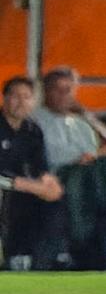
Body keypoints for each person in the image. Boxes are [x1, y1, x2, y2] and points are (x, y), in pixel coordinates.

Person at [33, 68, 106, 273]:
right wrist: (96, 155)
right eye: (59, 90)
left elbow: (94, 153)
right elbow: (55, 155)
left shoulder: (80, 124)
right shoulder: (36, 120)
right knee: (98, 173)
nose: (65, 95)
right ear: (46, 91)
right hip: (57, 177)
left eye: (69, 90)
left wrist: (99, 148)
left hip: (89, 178)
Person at [0, 76, 63, 270]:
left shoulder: (32, 130)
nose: (21, 102)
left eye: (26, 97)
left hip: (22, 190)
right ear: (5, 98)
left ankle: (41, 263)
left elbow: (41, 168)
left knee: (55, 203)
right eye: (15, 96)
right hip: (6, 186)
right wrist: (28, 185)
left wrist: (50, 184)